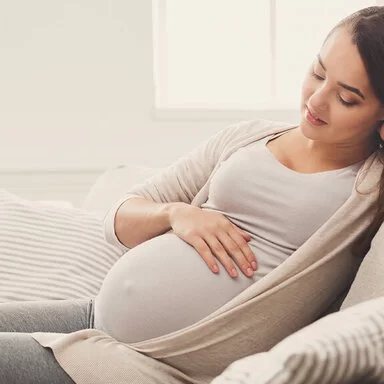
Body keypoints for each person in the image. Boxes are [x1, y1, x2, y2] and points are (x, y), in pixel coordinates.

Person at [1, 6, 384, 384]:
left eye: (347, 98)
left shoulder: (370, 190)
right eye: (317, 73)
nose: (316, 100)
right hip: (94, 316)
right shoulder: (246, 138)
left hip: (155, 366)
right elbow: (118, 217)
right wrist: (176, 214)